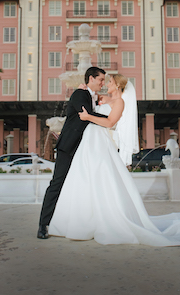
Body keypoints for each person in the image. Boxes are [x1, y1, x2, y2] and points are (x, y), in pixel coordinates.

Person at [48, 74, 180, 246]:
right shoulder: (104, 98)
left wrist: (88, 117)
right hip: (88, 142)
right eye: (105, 81)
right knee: (83, 178)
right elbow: (91, 96)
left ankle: (104, 220)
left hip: (100, 142)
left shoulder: (120, 103)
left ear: (118, 86)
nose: (106, 84)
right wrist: (84, 88)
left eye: (110, 82)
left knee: (101, 177)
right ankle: (83, 220)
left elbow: (110, 122)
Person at [37, 66, 108, 239]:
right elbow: (88, 115)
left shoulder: (91, 97)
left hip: (84, 149)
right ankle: (43, 225)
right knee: (57, 184)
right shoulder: (79, 94)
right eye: (101, 80)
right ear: (91, 78)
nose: (102, 83)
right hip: (69, 148)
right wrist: (112, 119)